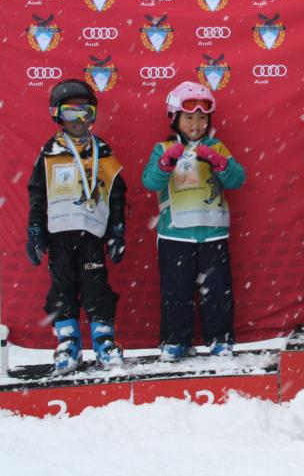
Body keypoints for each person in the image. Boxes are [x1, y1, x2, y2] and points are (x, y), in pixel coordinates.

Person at [26, 79, 127, 372]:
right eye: (71, 112)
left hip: (91, 235)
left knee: (96, 287)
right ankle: (68, 343)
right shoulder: (49, 152)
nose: (79, 120)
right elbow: (37, 194)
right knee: (62, 288)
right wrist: (35, 230)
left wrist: (117, 229)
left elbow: (116, 192)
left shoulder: (102, 151)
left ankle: (104, 341)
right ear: (57, 114)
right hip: (59, 236)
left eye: (86, 112)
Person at [141, 81, 246, 361]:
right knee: (177, 290)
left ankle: (220, 340)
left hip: (213, 234)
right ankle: (175, 340)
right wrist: (165, 163)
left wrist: (219, 162)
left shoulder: (217, 146)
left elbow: (238, 180)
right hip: (174, 235)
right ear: (174, 118)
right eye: (189, 118)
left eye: (202, 118)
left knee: (217, 291)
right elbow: (149, 181)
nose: (196, 124)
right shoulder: (162, 147)